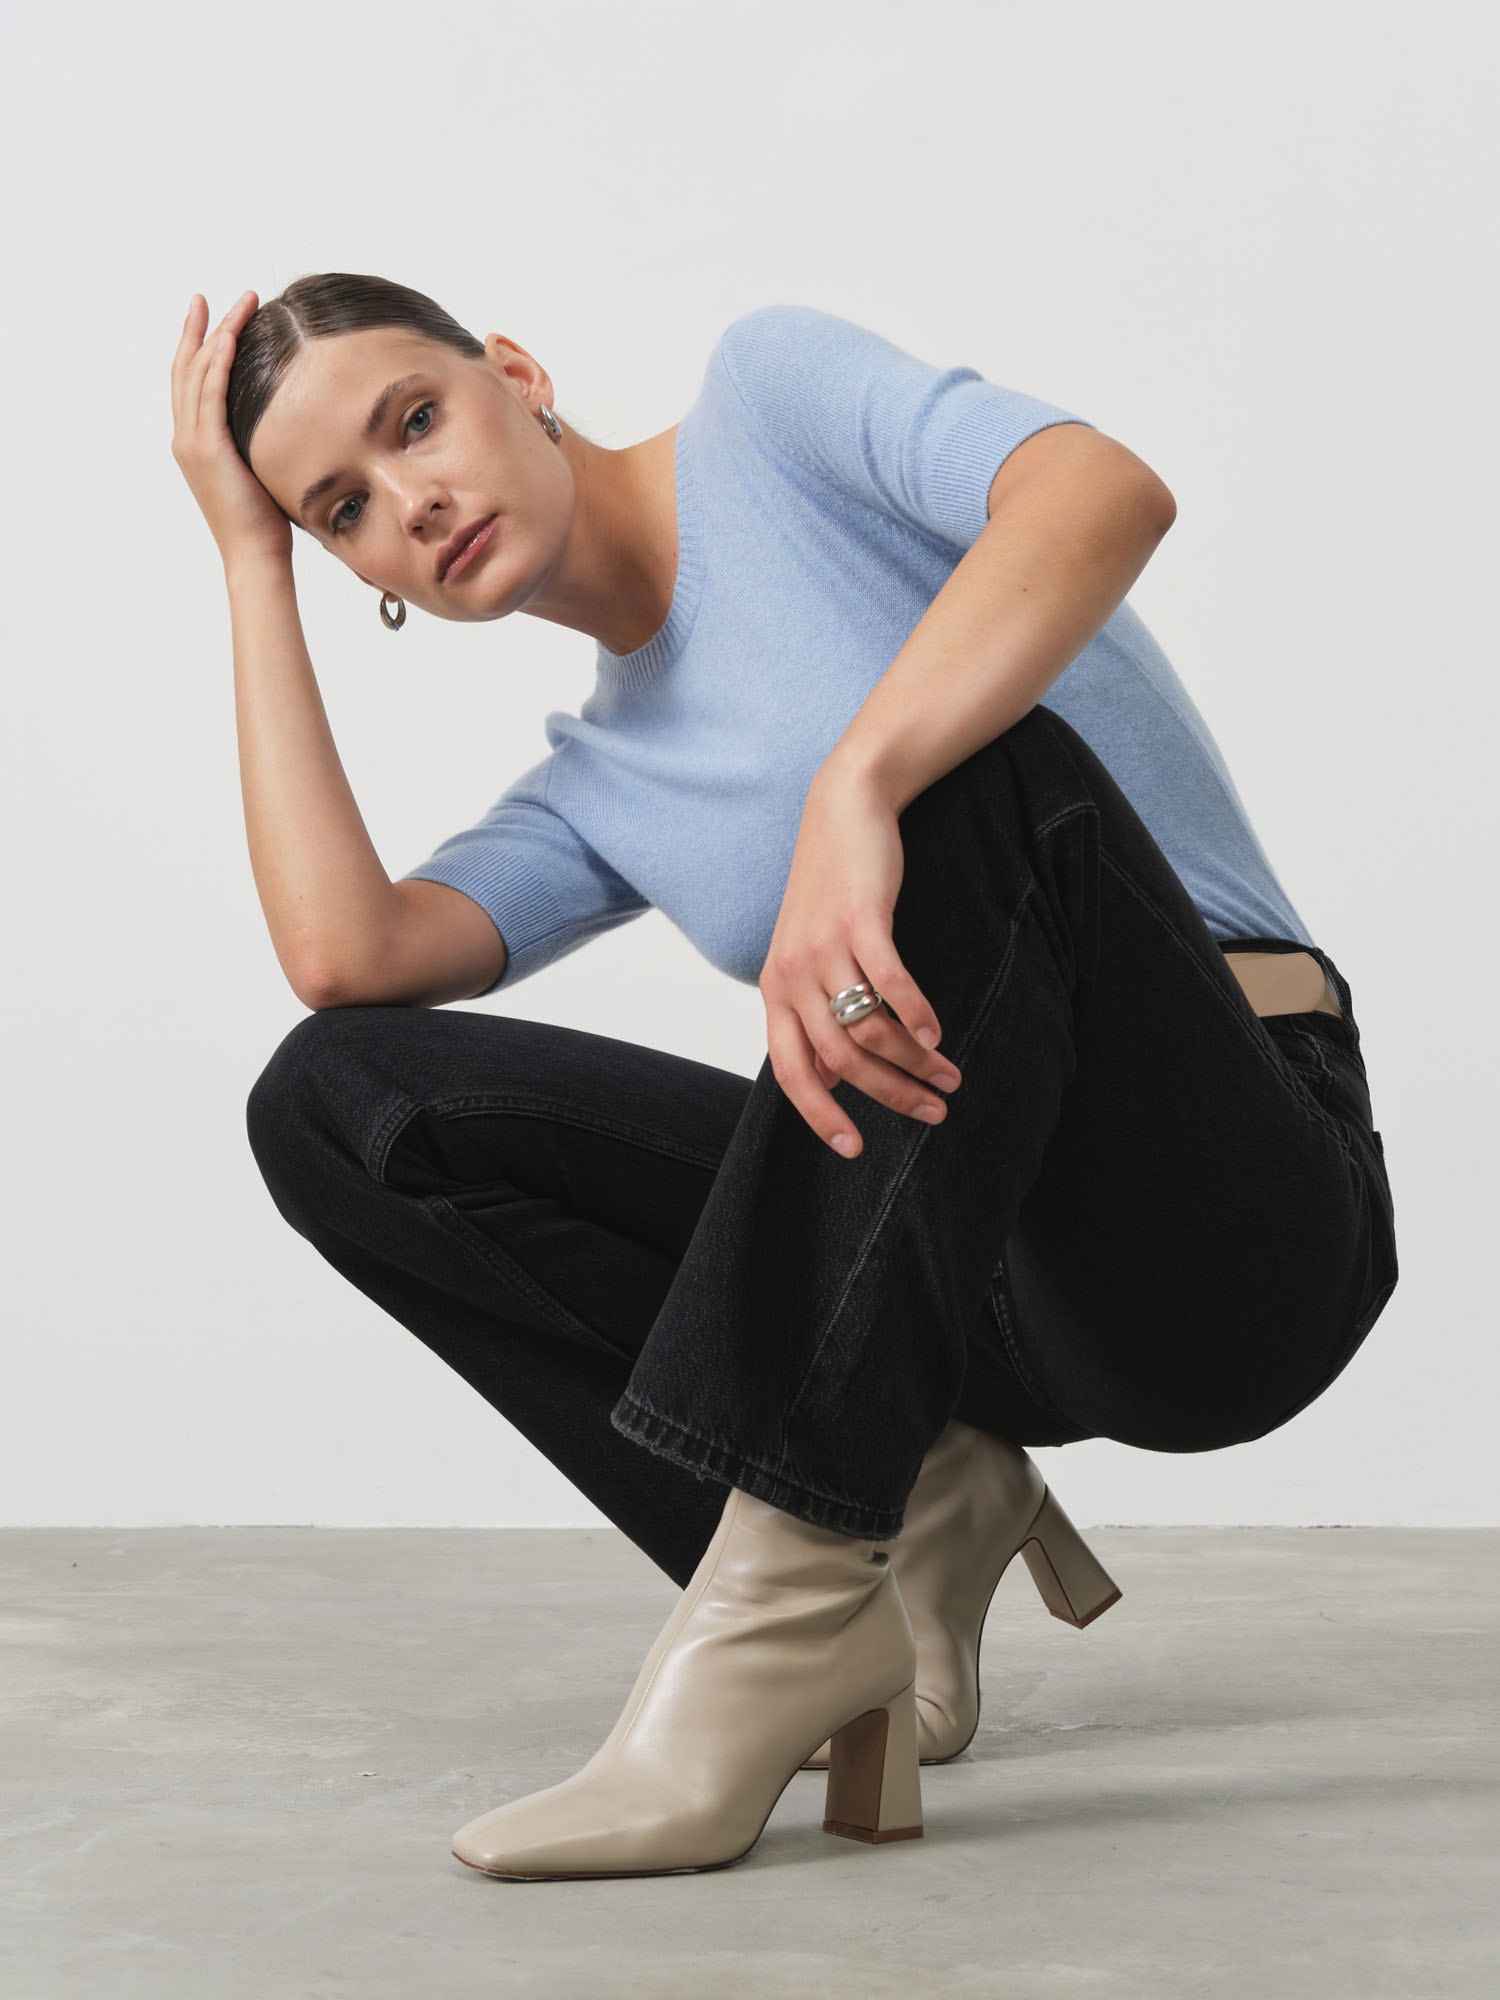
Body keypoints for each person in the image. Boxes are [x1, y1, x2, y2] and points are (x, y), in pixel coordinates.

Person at [169, 276, 1399, 1882]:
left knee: (975, 784)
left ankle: (770, 1626)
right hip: (963, 1286)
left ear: (517, 374)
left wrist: (857, 783)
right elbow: (346, 956)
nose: (412, 502)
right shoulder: (605, 783)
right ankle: (910, 1501)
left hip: (1232, 1211)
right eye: (344, 511)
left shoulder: (770, 404)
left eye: (417, 422)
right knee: (337, 1103)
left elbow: (1102, 489)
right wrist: (247, 558)